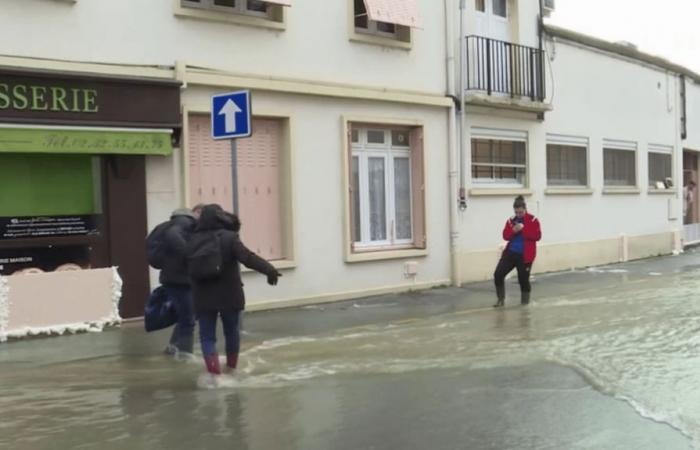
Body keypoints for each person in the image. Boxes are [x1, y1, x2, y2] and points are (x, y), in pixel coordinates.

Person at [187, 204, 281, 377]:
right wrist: (269, 270)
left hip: (203, 297)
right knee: (231, 332)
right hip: (229, 294)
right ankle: (231, 370)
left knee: (207, 337)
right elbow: (248, 258)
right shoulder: (229, 238)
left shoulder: (192, 239)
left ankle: (214, 376)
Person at [160, 208, 198, 356]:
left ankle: (174, 347)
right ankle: (185, 354)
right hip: (182, 280)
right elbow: (176, 239)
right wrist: (192, 255)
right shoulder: (182, 225)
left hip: (172, 278)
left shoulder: (169, 226)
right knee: (188, 319)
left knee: (186, 316)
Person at [493, 196, 542, 307]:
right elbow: (505, 236)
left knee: (523, 280)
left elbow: (537, 236)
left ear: (525, 209)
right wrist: (513, 230)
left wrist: (523, 229)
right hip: (510, 253)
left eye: (521, 212)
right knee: (498, 274)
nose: (519, 214)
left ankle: (525, 303)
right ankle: (500, 300)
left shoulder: (533, 220)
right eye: (516, 212)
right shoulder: (511, 221)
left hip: (525, 256)